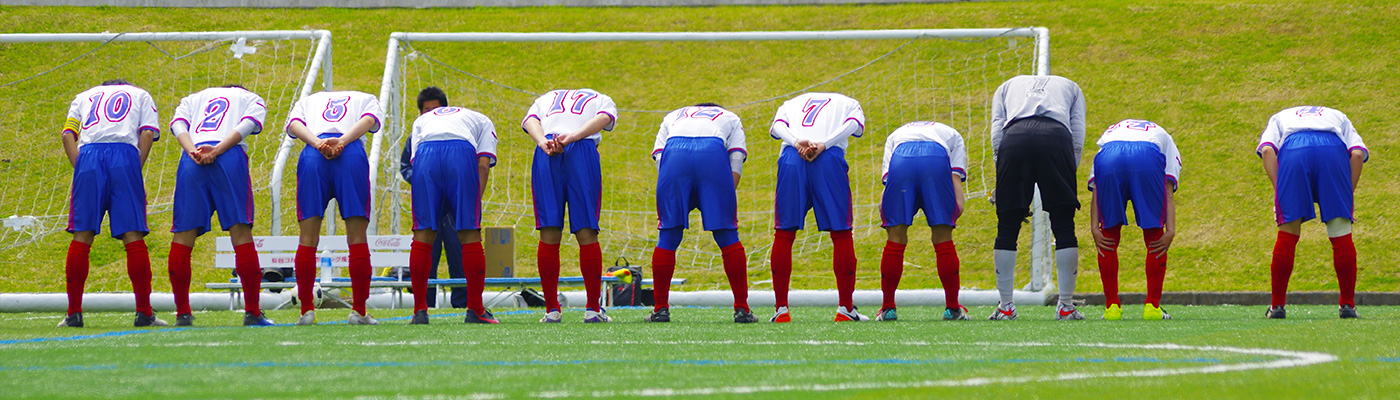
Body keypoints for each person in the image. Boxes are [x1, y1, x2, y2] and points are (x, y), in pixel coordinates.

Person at [58, 79, 164, 328]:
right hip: (124, 155)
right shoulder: (140, 93)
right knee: (133, 235)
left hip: (88, 156)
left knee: (82, 235)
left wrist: (80, 166)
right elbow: (147, 132)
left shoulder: (83, 94)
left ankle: (73, 313)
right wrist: (134, 169)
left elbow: (67, 134)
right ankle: (144, 312)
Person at [167, 85, 271, 326]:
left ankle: (182, 313)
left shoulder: (192, 97)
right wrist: (218, 150)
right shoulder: (249, 96)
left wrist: (192, 150)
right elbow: (246, 125)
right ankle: (253, 312)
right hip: (228, 156)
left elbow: (177, 125)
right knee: (241, 232)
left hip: (192, 157)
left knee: (182, 236)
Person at [988, 74, 1086, 321]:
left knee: (1008, 224)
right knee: (1064, 224)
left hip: (1015, 138)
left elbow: (997, 129)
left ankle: (1006, 306)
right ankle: (1065, 305)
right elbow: (1077, 131)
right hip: (1056, 137)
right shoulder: (1072, 86)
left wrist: (1002, 172)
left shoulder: (1006, 85)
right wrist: (1068, 171)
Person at [646, 103, 755, 323]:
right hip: (712, 152)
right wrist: (725, 198)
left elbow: (660, 157)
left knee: (668, 235)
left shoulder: (672, 115)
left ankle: (660, 309)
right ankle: (742, 309)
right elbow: (736, 158)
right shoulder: (730, 116)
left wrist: (671, 193)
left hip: (674, 153)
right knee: (727, 234)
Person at [1256, 106, 1367, 319]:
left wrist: (1281, 192)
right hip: (1333, 151)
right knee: (1340, 233)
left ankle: (1277, 306)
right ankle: (1348, 306)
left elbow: (1268, 151)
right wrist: (1346, 193)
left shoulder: (1280, 117)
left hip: (1294, 150)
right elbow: (1357, 153)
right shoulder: (1339, 116)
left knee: (1287, 235)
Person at [285, 90, 383, 325]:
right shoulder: (365, 98)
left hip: (313, 154)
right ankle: (358, 311)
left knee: (307, 238)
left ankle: (306, 311)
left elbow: (294, 124)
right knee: (357, 237)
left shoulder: (308, 100)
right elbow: (369, 121)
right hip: (350, 154)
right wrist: (342, 141)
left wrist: (318, 143)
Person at [767, 92, 866, 322]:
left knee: (784, 233)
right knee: (841, 233)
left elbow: (777, 126)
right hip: (829, 157)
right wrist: (824, 144)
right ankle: (845, 308)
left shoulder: (790, 103)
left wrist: (796, 142)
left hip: (793, 156)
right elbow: (854, 125)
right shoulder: (850, 102)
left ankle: (781, 309)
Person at [404, 87, 499, 324]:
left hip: (426, 154)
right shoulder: (482, 119)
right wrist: (472, 206)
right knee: (469, 233)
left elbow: (416, 165)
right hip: (461, 151)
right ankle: (475, 310)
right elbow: (483, 165)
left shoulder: (422, 120)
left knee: (423, 234)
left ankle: (419, 311)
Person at [522, 88, 617, 323]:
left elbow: (530, 120)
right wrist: (573, 137)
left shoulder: (546, 97)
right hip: (582, 149)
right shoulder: (601, 97)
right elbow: (605, 118)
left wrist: (543, 142)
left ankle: (552, 310)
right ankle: (593, 309)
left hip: (546, 151)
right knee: (586, 229)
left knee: (549, 230)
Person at [875, 121, 970, 322]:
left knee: (896, 235)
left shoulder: (895, 134)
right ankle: (952, 308)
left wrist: (886, 210)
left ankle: (887, 308)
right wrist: (955, 209)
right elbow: (955, 176)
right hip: (935, 157)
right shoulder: (952, 133)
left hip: (902, 157)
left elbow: (888, 179)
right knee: (943, 236)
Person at [1088, 119, 1181, 321]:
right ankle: (1152, 307)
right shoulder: (1165, 137)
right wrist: (1171, 230)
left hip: (1109, 154)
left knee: (1109, 234)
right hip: (1146, 155)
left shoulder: (1110, 133)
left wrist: (1095, 227)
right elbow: (1168, 189)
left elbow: (1096, 186)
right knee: (1155, 235)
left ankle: (1111, 308)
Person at [400, 116, 467, 310]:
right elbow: (406, 166)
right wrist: (426, 180)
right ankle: (424, 304)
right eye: (427, 109)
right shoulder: (417, 136)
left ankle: (463, 303)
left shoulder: (459, 136)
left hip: (453, 202)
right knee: (427, 248)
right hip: (429, 200)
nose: (431, 112)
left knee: (458, 250)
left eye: (435, 108)